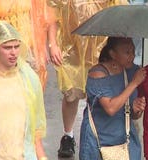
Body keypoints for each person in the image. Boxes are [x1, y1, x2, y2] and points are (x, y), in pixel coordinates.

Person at [47, 0, 129, 157]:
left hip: (102, 46)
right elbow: (53, 12)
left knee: (105, 94)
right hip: (72, 48)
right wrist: (52, 44)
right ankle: (68, 135)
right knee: (71, 95)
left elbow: (121, 12)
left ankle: (104, 134)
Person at [79, 37, 146, 160]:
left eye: (133, 51)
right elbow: (111, 108)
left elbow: (132, 115)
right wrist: (134, 83)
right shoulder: (98, 73)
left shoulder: (133, 71)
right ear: (112, 54)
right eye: (127, 52)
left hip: (124, 141)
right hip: (98, 141)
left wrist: (137, 110)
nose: (132, 55)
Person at [0, 21, 47, 160]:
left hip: (24, 155)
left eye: (16, 46)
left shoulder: (29, 79)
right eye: (7, 47)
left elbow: (35, 129)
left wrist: (42, 157)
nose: (13, 52)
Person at [0, 0, 61, 90]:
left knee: (31, 91)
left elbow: (46, 15)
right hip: (1, 49)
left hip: (29, 49)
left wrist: (49, 44)